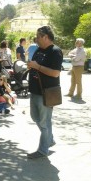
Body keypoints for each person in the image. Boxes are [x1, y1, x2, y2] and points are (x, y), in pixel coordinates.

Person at [27, 26, 63, 159]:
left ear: (46, 37)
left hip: (46, 92)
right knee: (36, 118)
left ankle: (43, 150)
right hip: (35, 90)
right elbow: (35, 65)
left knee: (44, 122)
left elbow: (55, 73)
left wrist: (37, 67)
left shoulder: (55, 51)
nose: (36, 39)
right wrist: (31, 65)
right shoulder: (38, 49)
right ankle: (50, 139)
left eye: (38, 36)